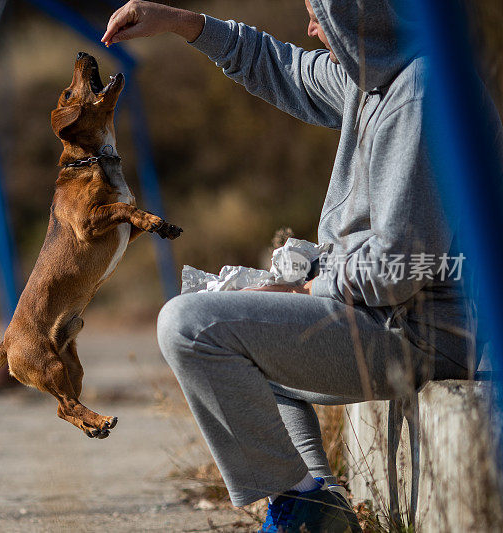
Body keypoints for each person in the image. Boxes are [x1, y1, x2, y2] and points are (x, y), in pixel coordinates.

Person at [102, 1, 495, 531]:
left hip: (423, 333)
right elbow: (282, 67)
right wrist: (182, 24)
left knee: (191, 326)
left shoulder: (420, 95)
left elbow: (399, 269)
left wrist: (309, 290)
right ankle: (312, 500)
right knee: (240, 327)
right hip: (387, 316)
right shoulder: (377, 80)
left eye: (320, 12)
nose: (312, 28)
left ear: (362, 12)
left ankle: (304, 508)